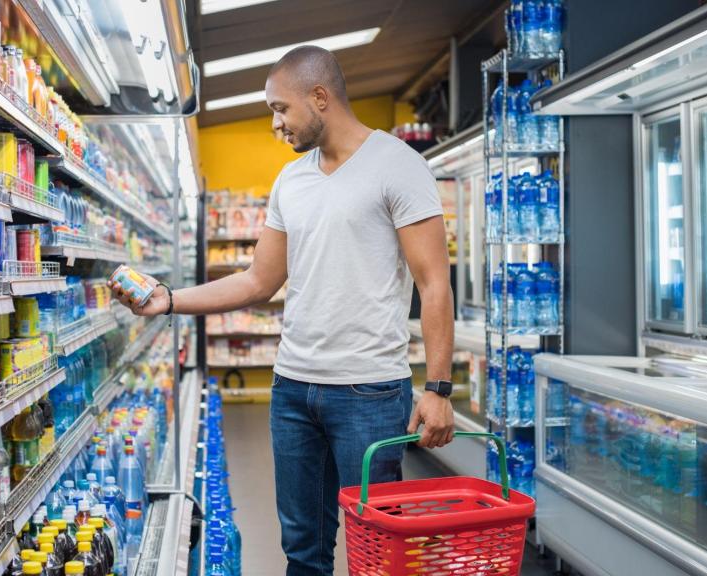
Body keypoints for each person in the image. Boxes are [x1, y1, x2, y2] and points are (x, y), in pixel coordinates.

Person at [110, 45, 454, 575]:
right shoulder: (290, 181)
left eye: (280, 108)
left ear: (320, 98)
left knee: (378, 554)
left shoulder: (397, 166)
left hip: (368, 392)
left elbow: (434, 284)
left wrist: (437, 389)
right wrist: (170, 299)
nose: (274, 124)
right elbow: (257, 281)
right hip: (292, 390)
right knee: (301, 550)